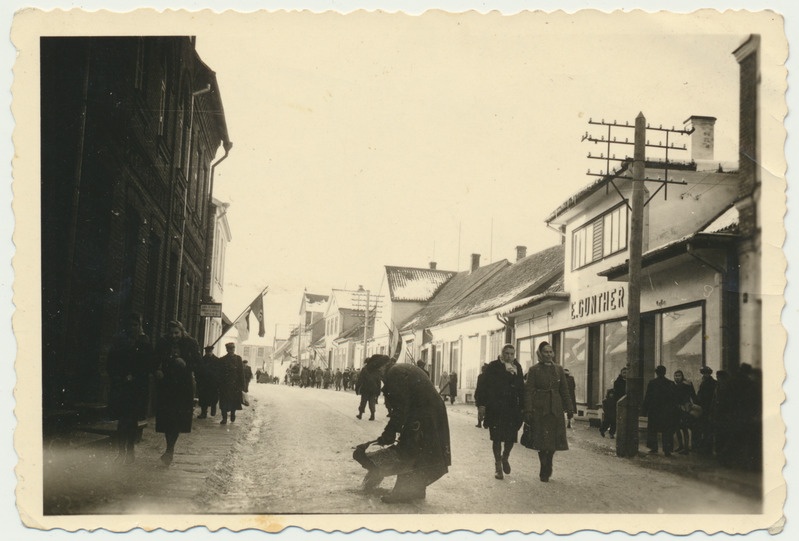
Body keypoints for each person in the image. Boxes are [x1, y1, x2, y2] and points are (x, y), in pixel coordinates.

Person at [358, 355, 451, 503]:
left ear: (381, 368)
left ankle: (403, 492)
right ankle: (417, 489)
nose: (380, 379)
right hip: (430, 413)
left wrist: (389, 433)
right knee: (420, 450)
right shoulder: (398, 369)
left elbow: (400, 410)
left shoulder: (395, 374)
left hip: (425, 414)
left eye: (377, 374)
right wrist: (392, 431)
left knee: (409, 450)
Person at [524, 341, 573, 482]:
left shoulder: (559, 369)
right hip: (539, 408)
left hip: (555, 408)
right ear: (540, 354)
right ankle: (543, 465)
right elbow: (528, 391)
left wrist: (569, 408)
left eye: (551, 352)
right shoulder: (534, 370)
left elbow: (564, 390)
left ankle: (549, 461)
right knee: (541, 440)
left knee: (554, 439)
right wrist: (528, 409)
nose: (548, 354)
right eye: (545, 352)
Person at [106, 312, 152, 464]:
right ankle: (121, 452)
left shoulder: (144, 342)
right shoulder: (120, 341)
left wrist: (135, 376)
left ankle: (130, 450)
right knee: (121, 421)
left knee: (132, 421)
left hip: (136, 388)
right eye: (130, 325)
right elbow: (111, 362)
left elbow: (147, 364)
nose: (132, 328)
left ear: (139, 326)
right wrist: (120, 376)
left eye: (135, 325)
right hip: (121, 386)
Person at [153, 320, 200, 466]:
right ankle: (169, 449)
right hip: (166, 385)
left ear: (182, 331)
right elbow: (154, 359)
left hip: (183, 387)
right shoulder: (163, 342)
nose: (174, 336)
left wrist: (186, 363)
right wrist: (157, 370)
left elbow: (198, 363)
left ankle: (170, 450)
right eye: (171, 333)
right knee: (168, 419)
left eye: (177, 333)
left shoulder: (191, 343)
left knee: (177, 419)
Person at [482, 344, 525, 480]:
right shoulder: (493, 366)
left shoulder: (517, 367)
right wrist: (482, 405)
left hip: (512, 409)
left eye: (512, 354)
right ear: (501, 353)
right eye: (506, 353)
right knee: (496, 438)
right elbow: (484, 386)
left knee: (511, 437)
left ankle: (505, 457)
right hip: (496, 408)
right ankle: (498, 466)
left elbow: (521, 389)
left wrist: (523, 406)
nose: (509, 356)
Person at [641, 365, 679, 456]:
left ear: (656, 373)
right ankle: (667, 450)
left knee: (653, 430)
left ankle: (654, 448)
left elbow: (648, 397)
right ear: (665, 372)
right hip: (666, 411)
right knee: (667, 431)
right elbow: (674, 399)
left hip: (654, 411)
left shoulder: (652, 383)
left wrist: (644, 410)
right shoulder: (670, 383)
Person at [218, 342, 245, 424]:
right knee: (223, 402)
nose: (232, 350)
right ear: (227, 349)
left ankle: (233, 414)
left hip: (235, 384)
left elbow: (241, 372)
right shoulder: (222, 359)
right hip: (225, 385)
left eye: (233, 348)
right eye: (230, 348)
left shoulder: (238, 359)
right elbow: (220, 373)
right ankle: (224, 418)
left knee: (234, 401)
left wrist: (242, 385)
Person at [673, 369, 697, 455]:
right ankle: (681, 446)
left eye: (679, 376)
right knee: (677, 428)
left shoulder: (686, 385)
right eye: (676, 376)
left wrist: (691, 405)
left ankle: (686, 448)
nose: (677, 377)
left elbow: (693, 395)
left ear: (682, 376)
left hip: (684, 408)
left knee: (684, 428)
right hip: (676, 409)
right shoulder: (674, 386)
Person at [196, 346, 220, 418]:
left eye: (210, 351)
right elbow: (199, 370)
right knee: (203, 398)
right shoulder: (202, 360)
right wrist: (199, 380)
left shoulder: (217, 360)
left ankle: (213, 407)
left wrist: (217, 381)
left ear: (212, 351)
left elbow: (219, 372)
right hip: (204, 383)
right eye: (207, 352)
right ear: (205, 352)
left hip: (213, 383)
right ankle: (203, 413)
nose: (209, 353)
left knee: (213, 397)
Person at [473, 363, 489, 428]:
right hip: (487, 395)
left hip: (480, 395)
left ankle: (479, 423)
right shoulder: (490, 376)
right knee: (487, 409)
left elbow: (478, 386)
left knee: (479, 409)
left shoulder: (480, 376)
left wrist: (476, 394)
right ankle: (486, 424)